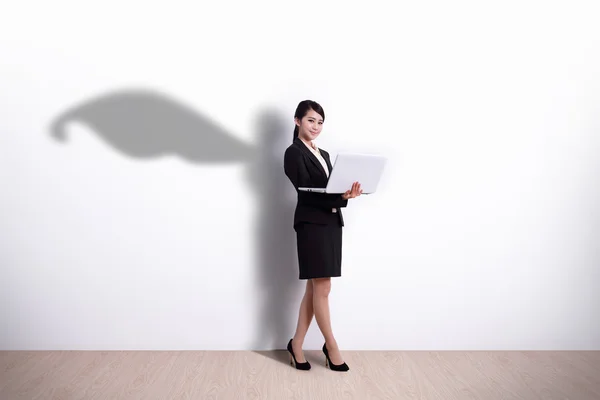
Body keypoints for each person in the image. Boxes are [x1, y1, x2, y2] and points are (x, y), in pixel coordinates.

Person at [283, 100, 362, 372]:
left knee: (314, 288)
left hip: (330, 223)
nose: (316, 126)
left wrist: (345, 194)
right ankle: (331, 345)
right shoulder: (293, 153)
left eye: (320, 122)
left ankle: (296, 344)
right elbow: (306, 192)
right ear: (297, 121)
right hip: (311, 224)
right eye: (310, 121)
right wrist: (339, 196)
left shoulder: (325, 154)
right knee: (323, 287)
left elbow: (329, 189)